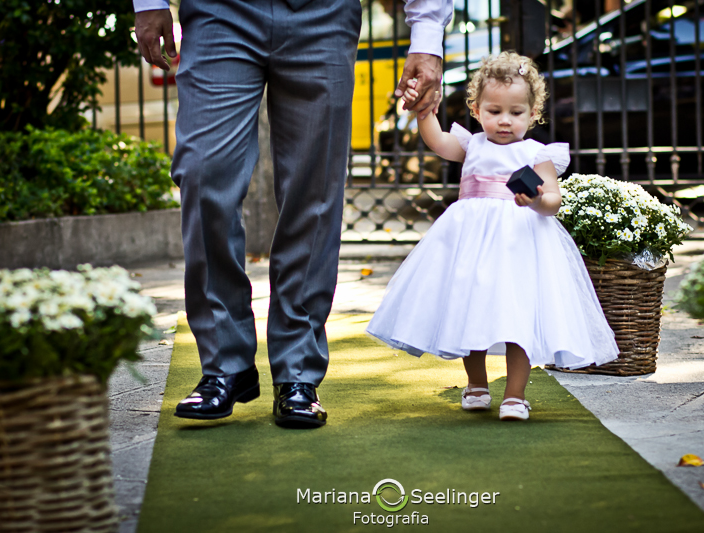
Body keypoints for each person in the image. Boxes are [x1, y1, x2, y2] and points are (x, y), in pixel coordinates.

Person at [132, 0, 453, 428]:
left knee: (313, 191)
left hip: (323, 15)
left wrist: (427, 35)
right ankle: (226, 363)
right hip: (218, 13)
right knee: (202, 171)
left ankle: (297, 370)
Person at [366, 52, 619, 421]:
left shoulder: (537, 154)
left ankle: (515, 395)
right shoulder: (472, 145)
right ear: (476, 109)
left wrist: (536, 200)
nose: (504, 120)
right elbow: (436, 141)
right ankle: (477, 385)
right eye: (494, 111)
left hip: (521, 243)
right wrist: (424, 110)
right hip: (471, 242)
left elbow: (553, 201)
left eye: (516, 112)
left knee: (520, 316)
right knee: (473, 311)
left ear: (533, 113)